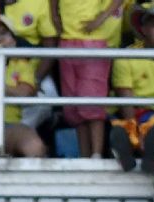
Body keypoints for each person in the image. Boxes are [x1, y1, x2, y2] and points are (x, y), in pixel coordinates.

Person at [109, 0, 154, 173]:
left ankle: (145, 150)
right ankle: (138, 149)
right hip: (132, 115)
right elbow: (126, 100)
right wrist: (138, 131)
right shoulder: (127, 56)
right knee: (122, 127)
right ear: (144, 29)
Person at [56, 0, 126, 158]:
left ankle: (96, 155)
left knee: (92, 102)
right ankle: (84, 157)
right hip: (66, 41)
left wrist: (102, 18)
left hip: (93, 41)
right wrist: (54, 17)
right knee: (74, 105)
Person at [0, 16, 47, 157]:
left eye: (3, 33)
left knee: (35, 147)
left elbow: (25, 93)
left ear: (13, 39)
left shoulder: (21, 63)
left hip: (10, 125)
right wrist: (9, 91)